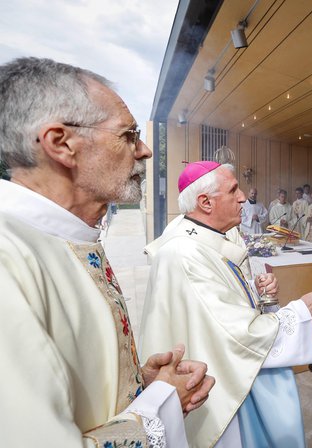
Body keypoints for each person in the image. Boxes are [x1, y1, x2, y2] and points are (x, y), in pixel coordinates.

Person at [0, 57, 214, 446]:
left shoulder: (68, 235)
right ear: (62, 143)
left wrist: (138, 386)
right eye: (129, 135)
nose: (145, 150)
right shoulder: (7, 258)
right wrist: (159, 408)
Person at [140, 162, 312, 447]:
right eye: (233, 190)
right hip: (218, 383)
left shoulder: (200, 239)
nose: (243, 197)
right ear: (205, 202)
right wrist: (299, 311)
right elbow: (237, 334)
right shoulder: (185, 254)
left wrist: (252, 290)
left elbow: (214, 303)